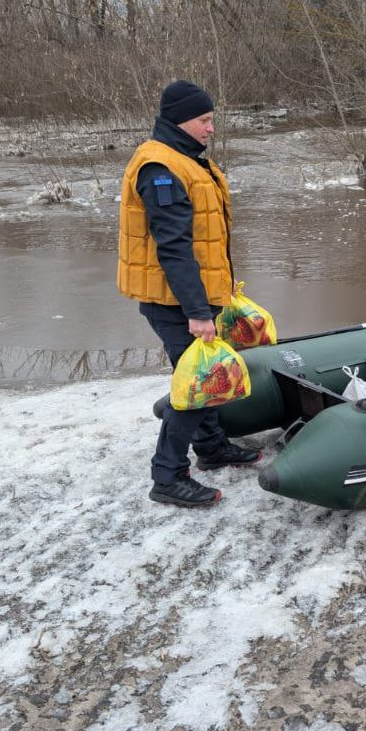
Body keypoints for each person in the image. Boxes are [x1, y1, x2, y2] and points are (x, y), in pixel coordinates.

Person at [118, 79, 261, 508]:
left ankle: (212, 448)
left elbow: (204, 239)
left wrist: (219, 292)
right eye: (205, 120)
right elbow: (174, 247)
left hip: (194, 297)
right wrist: (197, 311)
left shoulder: (186, 160)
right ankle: (167, 476)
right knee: (197, 386)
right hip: (175, 303)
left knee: (204, 379)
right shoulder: (160, 168)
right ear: (181, 119)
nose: (211, 129)